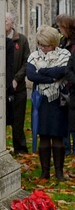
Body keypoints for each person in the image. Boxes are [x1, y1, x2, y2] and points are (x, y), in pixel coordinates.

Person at [29, 26, 70, 180]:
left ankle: (59, 172)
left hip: (58, 100)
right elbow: (31, 75)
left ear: (54, 43)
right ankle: (45, 172)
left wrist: (44, 71)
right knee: (44, 136)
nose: (43, 48)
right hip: (42, 100)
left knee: (58, 136)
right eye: (40, 44)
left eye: (46, 45)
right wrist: (52, 77)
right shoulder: (34, 56)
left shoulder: (64, 54)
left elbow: (63, 71)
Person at [6, 12, 31, 153]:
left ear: (12, 23)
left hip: (18, 88)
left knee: (18, 120)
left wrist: (16, 79)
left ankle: (20, 149)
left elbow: (27, 62)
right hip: (1, 88)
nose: (3, 24)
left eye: (6, 21)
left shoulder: (21, 40)